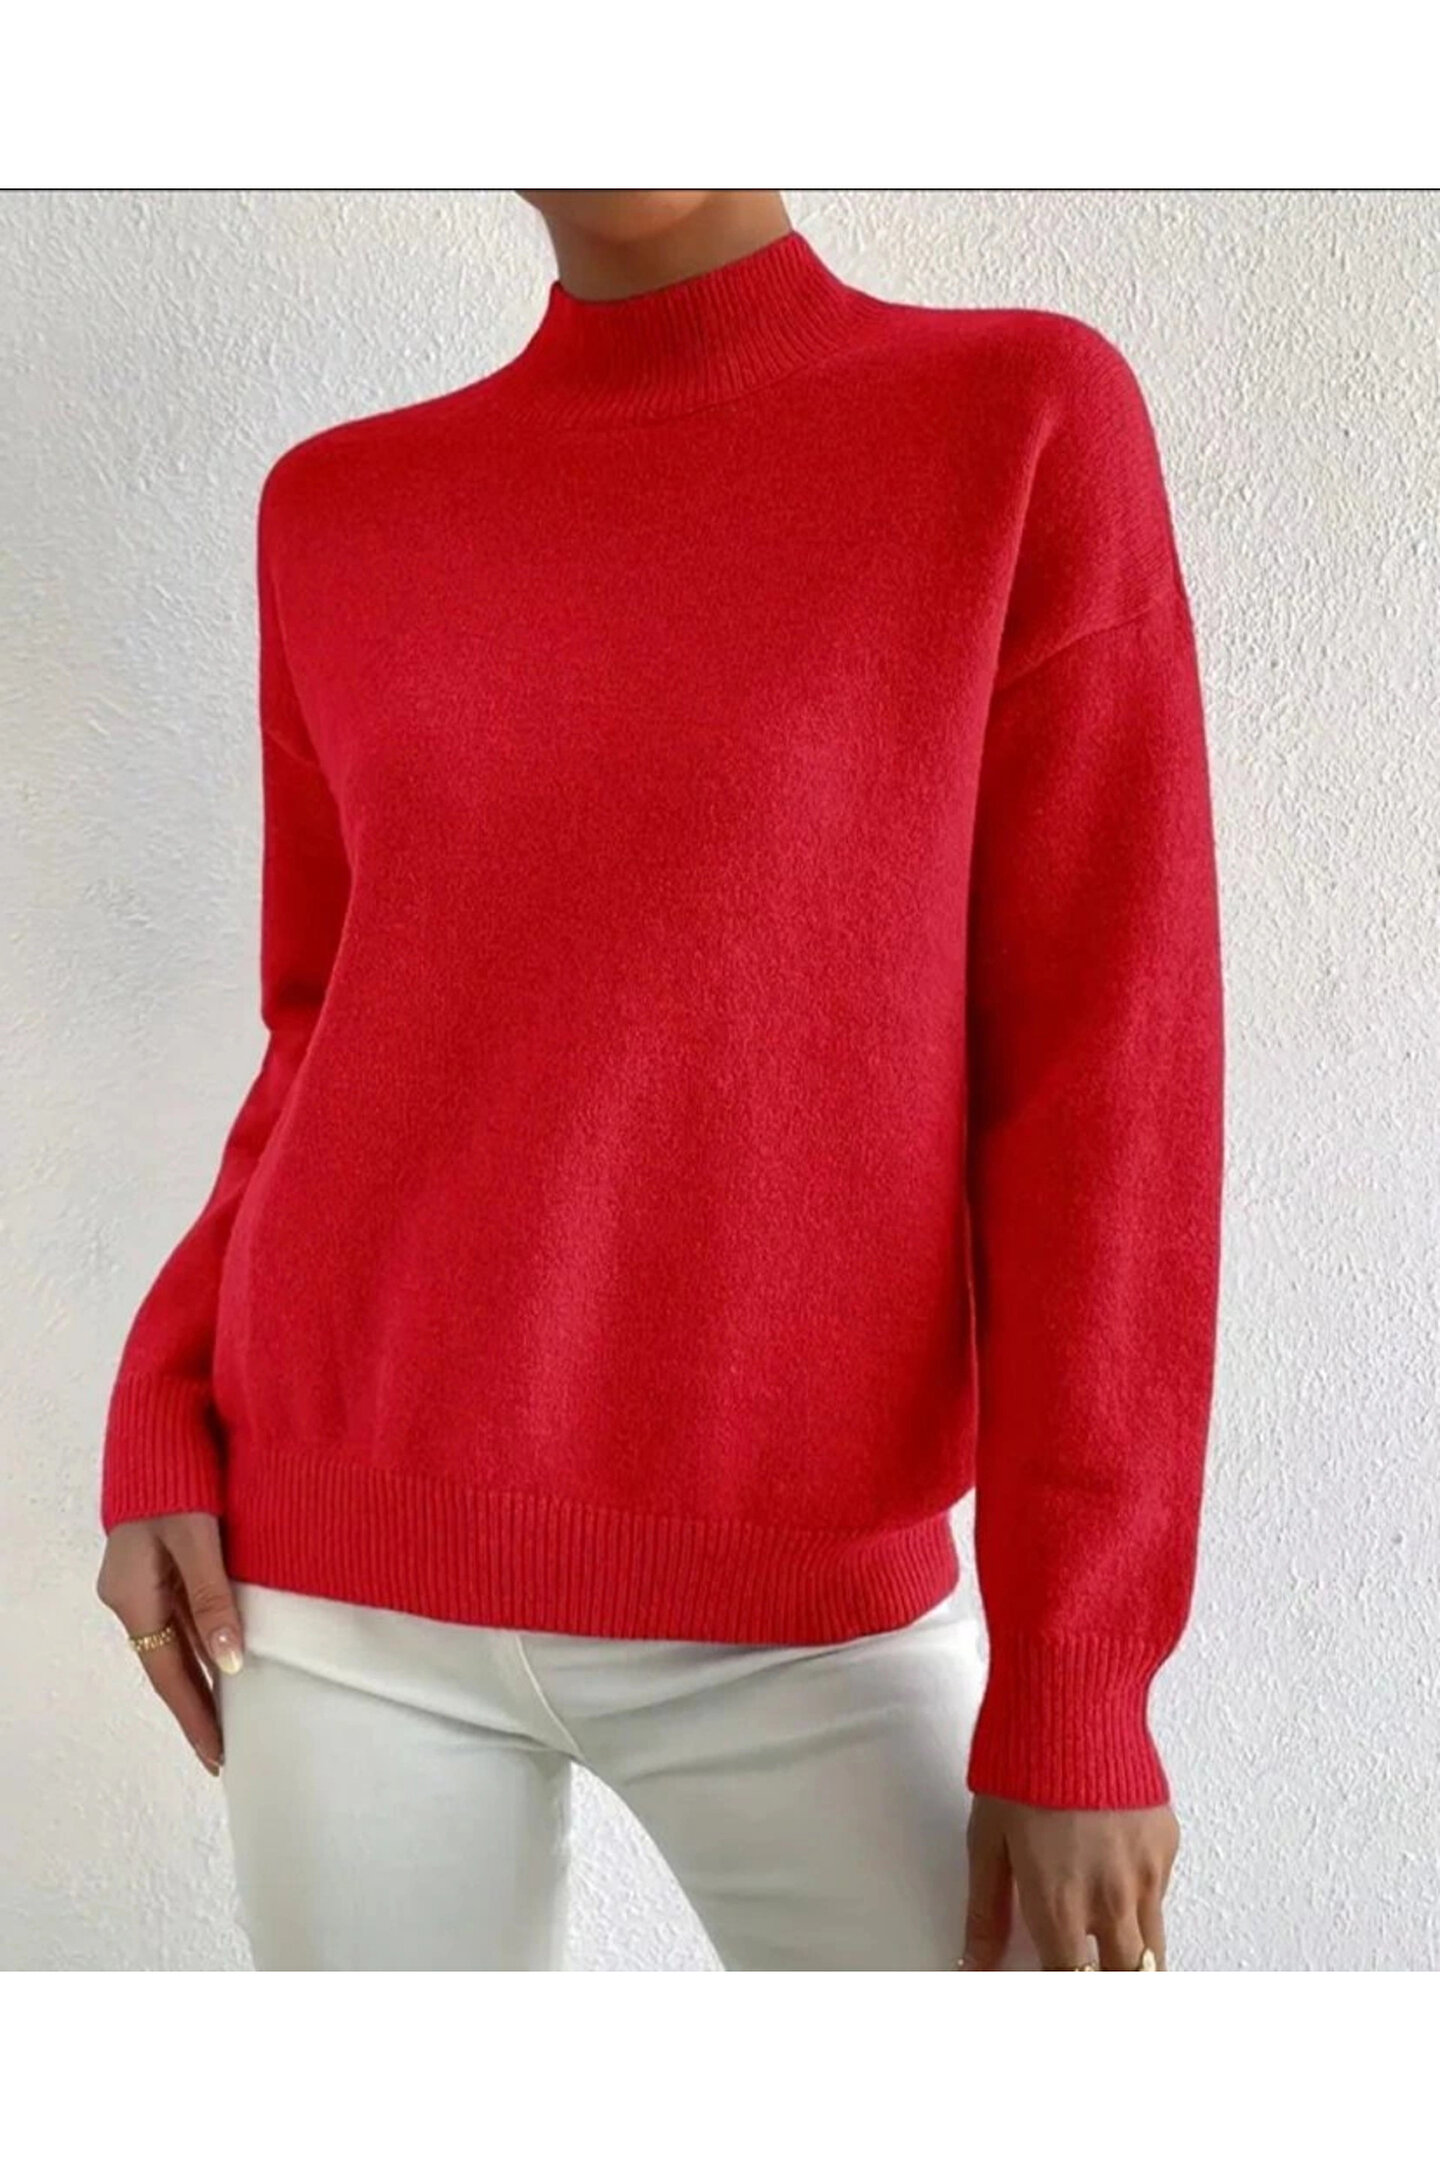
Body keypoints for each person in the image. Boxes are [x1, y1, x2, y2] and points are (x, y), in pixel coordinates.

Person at [95, 188, 1224, 1972]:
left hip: (810, 1599)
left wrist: (1081, 1677)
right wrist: (162, 1395)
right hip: (330, 1569)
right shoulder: (339, 507)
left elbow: (1112, 1082)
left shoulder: (1017, 419)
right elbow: (324, 1027)